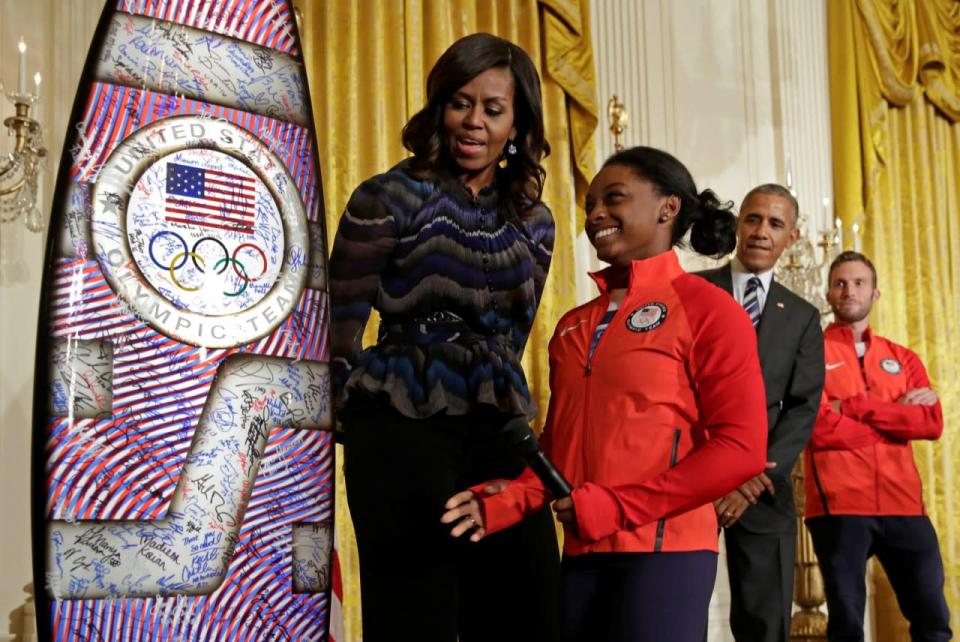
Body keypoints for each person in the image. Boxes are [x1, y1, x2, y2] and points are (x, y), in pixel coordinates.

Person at [442, 146, 769, 642]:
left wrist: (618, 508)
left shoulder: (710, 310)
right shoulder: (573, 326)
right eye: (590, 204)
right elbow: (561, 450)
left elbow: (742, 450)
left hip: (667, 555)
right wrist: (509, 500)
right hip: (582, 553)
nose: (595, 214)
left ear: (668, 207)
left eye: (613, 198)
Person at [328, 33, 560, 642]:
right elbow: (339, 327)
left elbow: (514, 332)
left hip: (498, 422)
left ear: (518, 121)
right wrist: (350, 419)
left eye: (493, 108)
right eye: (460, 102)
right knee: (415, 612)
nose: (474, 121)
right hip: (400, 419)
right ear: (438, 107)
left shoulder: (536, 222)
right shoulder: (386, 196)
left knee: (525, 607)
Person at [696, 184, 824, 642]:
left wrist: (751, 478)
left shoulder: (804, 316)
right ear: (737, 225)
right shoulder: (692, 292)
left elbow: (802, 407)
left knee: (764, 624)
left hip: (764, 492)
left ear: (791, 236)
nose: (760, 232)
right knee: (676, 615)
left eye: (775, 223)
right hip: (689, 485)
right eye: (752, 219)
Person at [803, 251, 951, 641]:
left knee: (933, 622)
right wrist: (893, 418)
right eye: (840, 283)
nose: (849, 290)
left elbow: (931, 423)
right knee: (847, 626)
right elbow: (816, 429)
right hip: (839, 507)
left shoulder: (903, 358)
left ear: (875, 293)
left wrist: (852, 408)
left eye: (858, 283)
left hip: (904, 504)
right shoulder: (810, 354)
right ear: (829, 293)